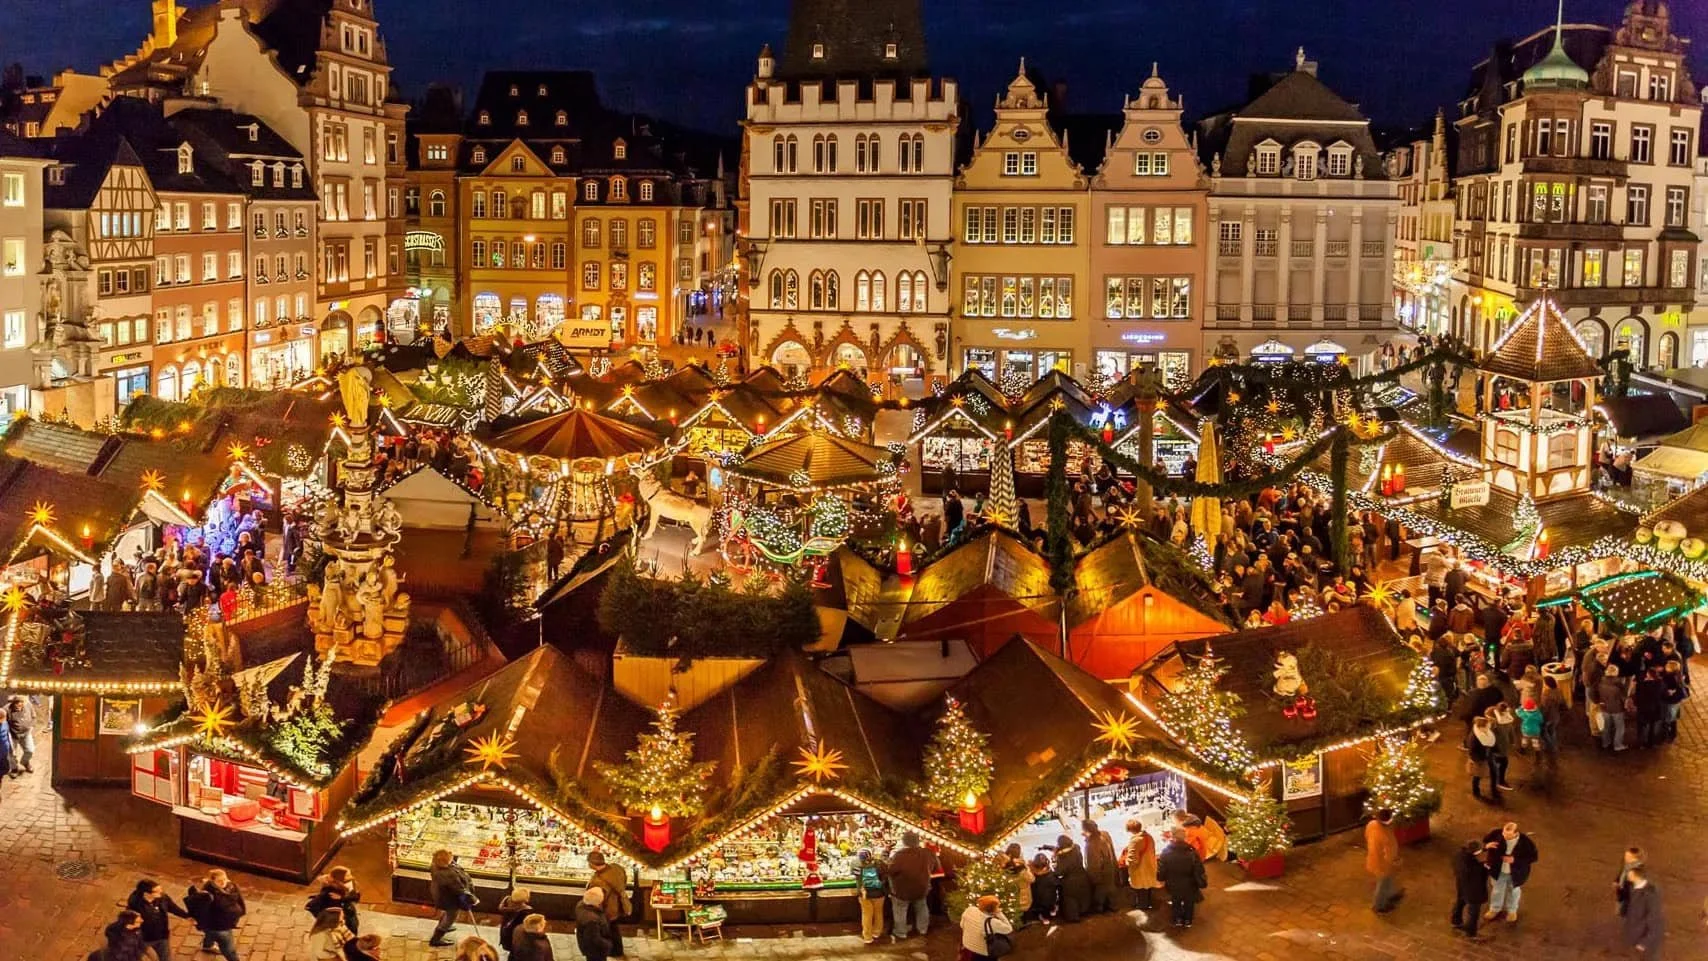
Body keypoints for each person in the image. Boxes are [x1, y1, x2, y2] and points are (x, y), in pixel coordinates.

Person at [887, 830, 939, 940]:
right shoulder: (928, 853)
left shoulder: (899, 855)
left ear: (904, 841)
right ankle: (923, 929)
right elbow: (936, 867)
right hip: (922, 887)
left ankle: (901, 932)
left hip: (902, 890)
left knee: (900, 910)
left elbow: (891, 870)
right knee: (922, 907)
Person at [1482, 821, 1539, 923]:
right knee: (1496, 890)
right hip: (1497, 870)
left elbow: (1533, 857)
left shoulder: (1526, 842)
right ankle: (1495, 909)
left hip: (1516, 873)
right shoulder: (1496, 834)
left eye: (1508, 835)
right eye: (1504, 833)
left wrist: (1515, 860)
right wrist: (1487, 846)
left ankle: (1512, 911)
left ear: (1516, 833)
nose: (1504, 837)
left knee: (1513, 892)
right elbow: (1485, 840)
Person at [185, 869, 246, 961]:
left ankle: (207, 946)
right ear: (212, 881)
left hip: (223, 922)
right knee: (229, 950)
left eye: (225, 879)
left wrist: (241, 911)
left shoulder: (231, 886)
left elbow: (240, 900)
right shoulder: (207, 895)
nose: (223, 882)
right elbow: (201, 911)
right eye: (219, 881)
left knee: (210, 933)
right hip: (219, 926)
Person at [128, 879, 191, 961]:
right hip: (145, 938)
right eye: (157, 891)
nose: (161, 892)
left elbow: (173, 908)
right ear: (146, 894)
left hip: (162, 935)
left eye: (160, 889)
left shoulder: (163, 898)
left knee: (166, 958)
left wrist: (187, 916)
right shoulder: (135, 904)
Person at [1155, 828, 1207, 928]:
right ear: (1184, 838)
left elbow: (1162, 871)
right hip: (1190, 884)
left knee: (1176, 902)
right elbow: (1199, 868)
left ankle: (1177, 919)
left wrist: (1161, 878)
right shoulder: (1192, 852)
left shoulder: (1165, 853)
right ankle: (1188, 920)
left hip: (1173, 884)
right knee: (1189, 902)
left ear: (1173, 838)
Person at [587, 851, 630, 958]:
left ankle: (613, 951)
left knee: (608, 930)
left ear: (592, 864)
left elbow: (598, 899)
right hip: (619, 905)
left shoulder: (598, 881)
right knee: (615, 929)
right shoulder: (617, 868)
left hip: (608, 910)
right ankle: (618, 950)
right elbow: (624, 880)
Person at [427, 849, 473, 947]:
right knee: (451, 916)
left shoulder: (435, 866)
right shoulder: (448, 874)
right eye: (449, 856)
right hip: (449, 899)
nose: (451, 856)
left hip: (440, 894)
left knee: (448, 913)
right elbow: (458, 889)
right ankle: (436, 939)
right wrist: (471, 898)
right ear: (445, 861)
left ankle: (443, 926)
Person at [1450, 839, 1489, 941]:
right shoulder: (1473, 866)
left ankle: (1456, 921)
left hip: (1461, 885)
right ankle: (1471, 933)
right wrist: (1485, 867)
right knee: (1473, 912)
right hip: (1473, 891)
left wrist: (1485, 848)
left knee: (1460, 902)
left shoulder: (1459, 855)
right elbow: (1478, 874)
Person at [1365, 808, 1402, 913]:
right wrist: (1397, 861)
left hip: (1373, 858)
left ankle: (1391, 894)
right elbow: (1389, 855)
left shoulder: (1372, 825)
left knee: (1388, 880)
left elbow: (1367, 836)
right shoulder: (1386, 836)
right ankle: (1378, 905)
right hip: (1383, 865)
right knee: (1382, 884)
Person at [306, 865, 361, 935]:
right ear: (339, 878)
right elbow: (315, 905)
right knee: (349, 929)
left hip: (348, 910)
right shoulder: (331, 890)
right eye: (347, 875)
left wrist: (342, 898)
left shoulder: (349, 882)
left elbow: (355, 897)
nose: (351, 876)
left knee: (353, 925)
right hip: (341, 915)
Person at [1622, 866, 1664, 957]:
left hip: (1645, 944)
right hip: (1635, 939)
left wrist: (1645, 942)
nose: (1627, 875)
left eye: (1629, 873)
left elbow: (1654, 919)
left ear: (1635, 876)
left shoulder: (1650, 894)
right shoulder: (1633, 888)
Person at [1121, 819, 1161, 910]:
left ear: (1130, 830)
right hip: (1150, 866)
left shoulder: (1135, 841)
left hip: (1140, 869)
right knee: (1148, 886)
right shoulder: (1148, 836)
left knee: (1141, 889)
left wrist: (1127, 862)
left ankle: (1143, 906)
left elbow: (1132, 859)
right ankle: (1148, 903)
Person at [1082, 818, 1119, 914]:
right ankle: (1113, 906)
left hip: (1101, 872)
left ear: (1087, 830)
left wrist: (1094, 877)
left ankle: (1101, 909)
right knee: (1110, 889)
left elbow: (1094, 863)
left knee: (1100, 891)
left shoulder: (1091, 844)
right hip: (1110, 867)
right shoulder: (1104, 834)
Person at [959, 895, 1013, 961]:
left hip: (966, 945)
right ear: (994, 909)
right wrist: (999, 913)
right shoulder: (992, 922)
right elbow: (1009, 929)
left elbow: (962, 925)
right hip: (982, 952)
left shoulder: (970, 910)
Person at [1052, 835, 1093, 923]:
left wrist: (1054, 859)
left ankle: (1074, 916)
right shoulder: (1076, 849)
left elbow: (1058, 872)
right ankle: (1084, 911)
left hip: (1069, 882)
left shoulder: (1062, 858)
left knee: (1070, 899)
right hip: (1083, 877)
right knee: (1083, 896)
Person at [856, 851, 888, 944]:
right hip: (879, 893)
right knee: (878, 913)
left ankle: (867, 937)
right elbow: (886, 875)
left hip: (865, 894)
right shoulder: (879, 863)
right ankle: (876, 932)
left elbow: (857, 879)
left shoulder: (857, 865)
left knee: (866, 915)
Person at [575, 887, 613, 961]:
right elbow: (595, 939)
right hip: (595, 951)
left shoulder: (581, 906)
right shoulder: (592, 921)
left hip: (587, 947)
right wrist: (607, 945)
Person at [497, 888, 535, 957]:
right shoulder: (525, 911)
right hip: (516, 937)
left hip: (505, 933)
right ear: (525, 899)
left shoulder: (506, 902)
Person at [7, 693, 35, 775]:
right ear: (13, 703)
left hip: (26, 734)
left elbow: (33, 716)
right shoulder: (7, 709)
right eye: (17, 703)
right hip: (13, 735)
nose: (19, 704)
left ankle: (25, 762)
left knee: (30, 750)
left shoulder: (28, 705)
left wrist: (31, 726)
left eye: (21, 702)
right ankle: (14, 768)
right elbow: (3, 721)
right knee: (11, 753)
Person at [1616, 847, 1645, 917]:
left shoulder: (1638, 870)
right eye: (1626, 856)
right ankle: (1622, 912)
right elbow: (1622, 873)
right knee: (1621, 903)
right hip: (1622, 890)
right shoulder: (1627, 865)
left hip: (1630, 893)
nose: (1626, 858)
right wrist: (1617, 880)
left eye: (1628, 857)